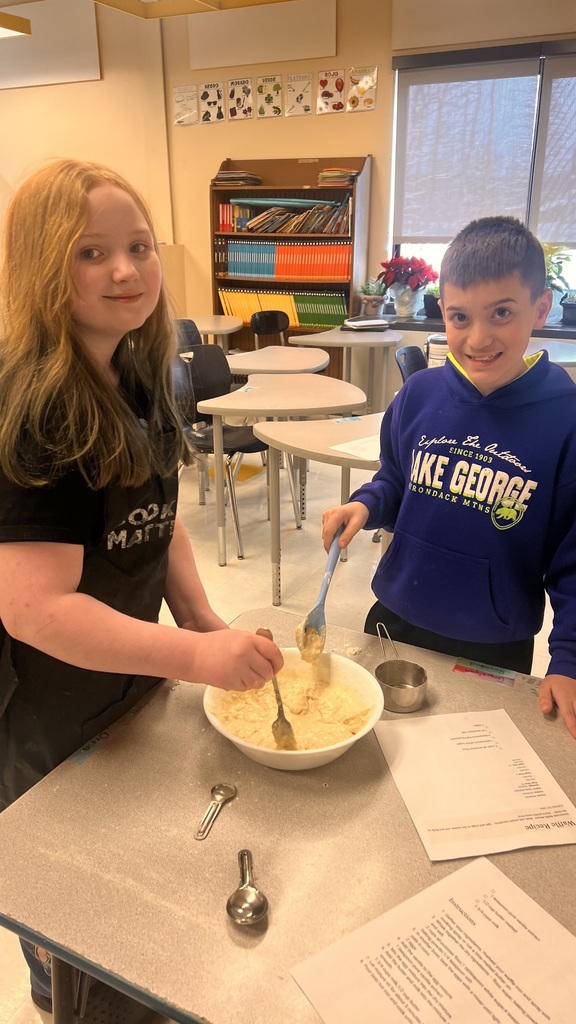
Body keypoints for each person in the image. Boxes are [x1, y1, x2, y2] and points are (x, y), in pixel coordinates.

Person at [0, 159, 283, 1015]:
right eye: (90, 253)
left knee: (125, 889)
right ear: (42, 267)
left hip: (123, 688)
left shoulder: (139, 369)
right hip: (47, 708)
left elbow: (156, 514)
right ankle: (56, 994)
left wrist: (197, 613)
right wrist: (195, 654)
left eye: (138, 246)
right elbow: (33, 607)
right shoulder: (37, 404)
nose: (124, 271)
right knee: (71, 921)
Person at [322, 215, 576, 740]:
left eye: (502, 313)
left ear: (541, 308)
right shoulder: (419, 395)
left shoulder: (567, 421)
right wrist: (366, 503)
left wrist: (568, 659)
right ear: (443, 312)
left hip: (492, 640)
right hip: (394, 616)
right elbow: (397, 479)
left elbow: (573, 561)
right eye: (460, 317)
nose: (478, 338)